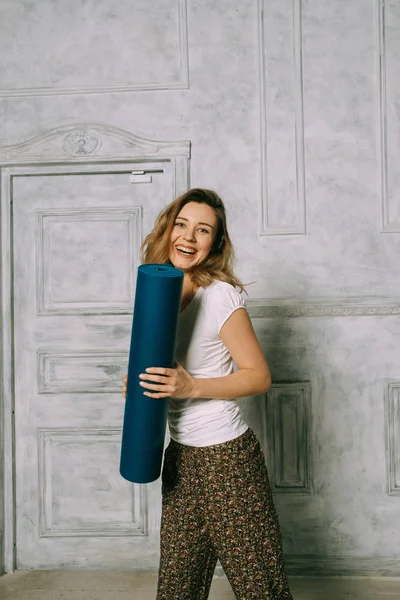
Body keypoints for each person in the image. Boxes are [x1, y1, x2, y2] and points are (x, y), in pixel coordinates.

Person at [123, 188, 293, 600]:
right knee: (177, 589)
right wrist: (140, 385)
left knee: (261, 589)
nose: (188, 236)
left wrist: (191, 386)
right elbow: (164, 371)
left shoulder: (220, 296)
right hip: (180, 457)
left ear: (214, 243)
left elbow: (259, 376)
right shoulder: (158, 291)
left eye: (203, 230)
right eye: (182, 224)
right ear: (168, 229)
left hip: (227, 461)